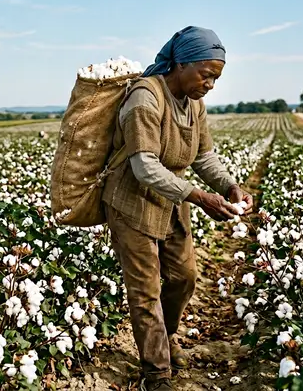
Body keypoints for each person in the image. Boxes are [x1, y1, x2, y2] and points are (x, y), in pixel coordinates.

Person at [101, 26, 253, 391]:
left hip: (171, 203)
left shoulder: (194, 104)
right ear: (181, 63)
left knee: (185, 277)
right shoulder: (145, 98)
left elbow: (203, 156)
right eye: (207, 75)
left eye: (216, 78)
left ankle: (166, 337)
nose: (211, 85)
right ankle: (156, 373)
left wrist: (230, 186)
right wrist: (199, 197)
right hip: (131, 203)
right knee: (145, 290)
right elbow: (144, 166)